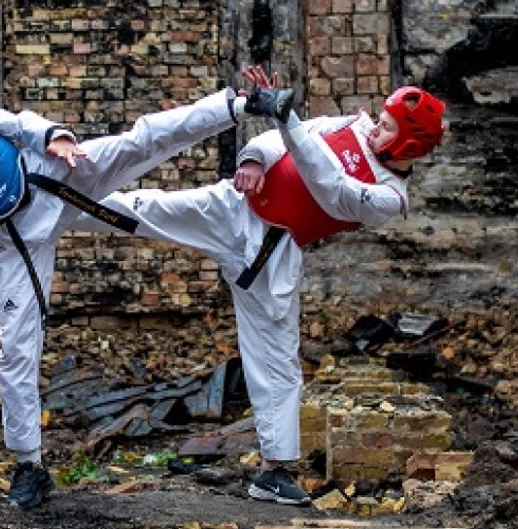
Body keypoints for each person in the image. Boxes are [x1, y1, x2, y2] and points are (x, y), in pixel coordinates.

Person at [0, 33, 291, 508]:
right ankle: (29, 467)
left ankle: (241, 105)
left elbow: (15, 123)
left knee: (140, 141)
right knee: (16, 350)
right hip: (18, 236)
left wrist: (53, 136)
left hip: (53, 173)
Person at [95, 67, 446, 505]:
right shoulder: (351, 125)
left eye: (388, 127)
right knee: (143, 208)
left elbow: (328, 185)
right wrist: (253, 160)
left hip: (272, 257)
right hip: (235, 206)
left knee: (277, 358)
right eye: (381, 118)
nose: (376, 127)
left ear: (410, 144)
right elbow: (278, 142)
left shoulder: (389, 197)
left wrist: (286, 117)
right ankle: (54, 198)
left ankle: (273, 470)